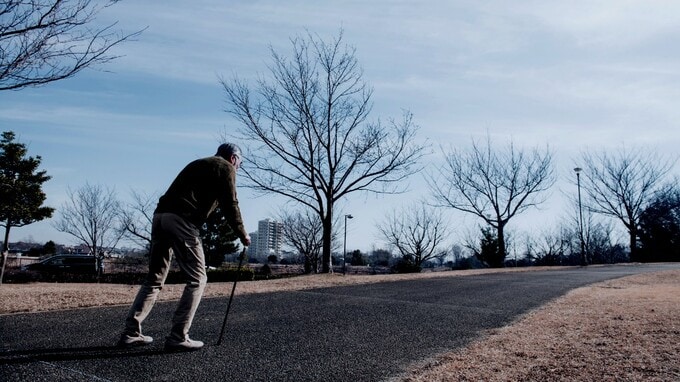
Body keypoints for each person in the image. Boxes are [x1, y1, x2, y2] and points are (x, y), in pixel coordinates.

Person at [118, 143, 251, 351]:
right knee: (198, 278)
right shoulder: (226, 168)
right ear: (234, 158)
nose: (238, 168)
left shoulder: (198, 163)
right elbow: (231, 204)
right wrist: (242, 234)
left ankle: (130, 333)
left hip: (160, 217)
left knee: (154, 278)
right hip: (182, 219)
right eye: (239, 164)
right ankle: (178, 336)